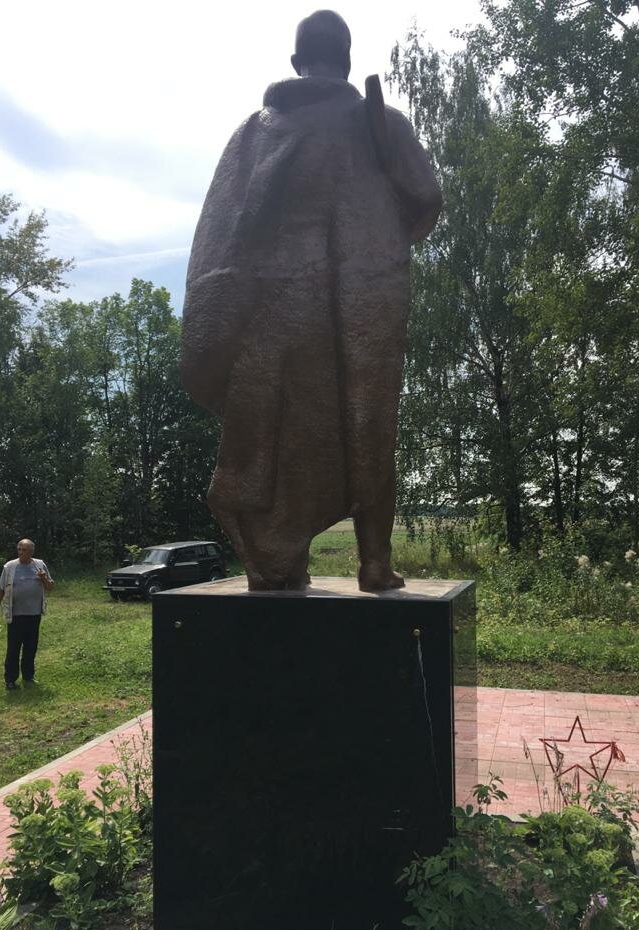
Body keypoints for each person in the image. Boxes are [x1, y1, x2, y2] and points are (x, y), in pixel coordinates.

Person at [181, 9, 442, 592]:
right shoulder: (383, 123)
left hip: (272, 321)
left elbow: (221, 237)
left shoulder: (255, 131)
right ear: (346, 61)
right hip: (362, 312)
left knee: (269, 434)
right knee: (369, 424)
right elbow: (425, 202)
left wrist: (221, 323)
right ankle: (374, 563)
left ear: (298, 63)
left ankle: (276, 562)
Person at [0, 539, 55, 690]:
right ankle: (10, 680)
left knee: (30, 647)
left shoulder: (39, 565)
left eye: (24, 550)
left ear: (32, 552)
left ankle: (28, 676)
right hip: (16, 615)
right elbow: (1, 589)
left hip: (34, 614)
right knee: (13, 648)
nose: (20, 552)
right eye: (19, 549)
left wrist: (44, 578)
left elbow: (50, 587)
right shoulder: (10, 567)